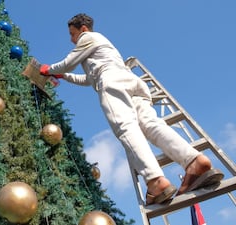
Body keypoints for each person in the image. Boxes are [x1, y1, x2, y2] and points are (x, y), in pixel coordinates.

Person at [39, 13, 224, 205]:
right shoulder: (102, 46)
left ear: (83, 29)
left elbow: (69, 62)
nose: (71, 39)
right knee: (151, 125)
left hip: (112, 81)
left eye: (72, 33)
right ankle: (194, 162)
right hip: (133, 83)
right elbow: (88, 79)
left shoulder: (87, 38)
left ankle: (155, 181)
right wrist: (65, 76)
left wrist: (50, 69)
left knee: (125, 126)